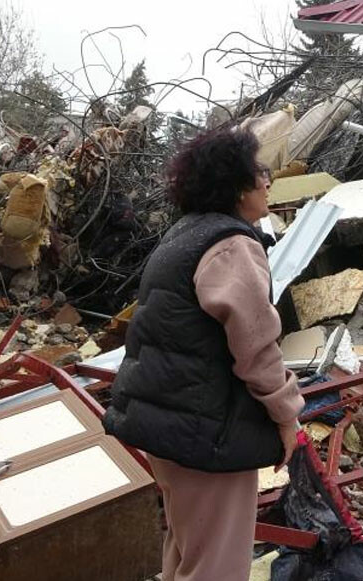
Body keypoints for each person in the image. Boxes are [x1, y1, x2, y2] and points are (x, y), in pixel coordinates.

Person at [103, 128, 305, 581]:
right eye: (259, 172)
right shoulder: (232, 246)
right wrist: (287, 416)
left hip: (167, 429)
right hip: (206, 432)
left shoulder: (184, 236)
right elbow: (255, 349)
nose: (267, 182)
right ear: (235, 185)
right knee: (216, 566)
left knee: (186, 550)